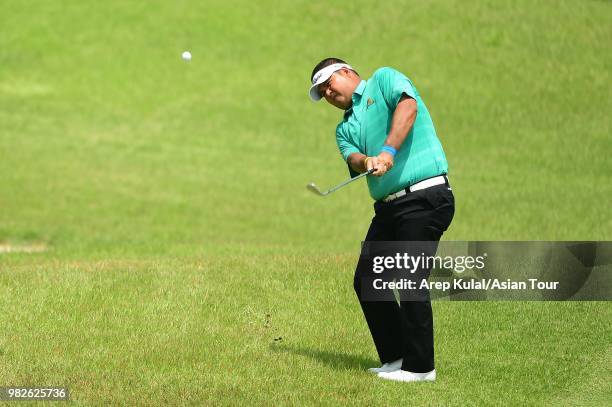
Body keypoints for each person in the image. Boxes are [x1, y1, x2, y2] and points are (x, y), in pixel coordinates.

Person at [308, 58, 455, 382]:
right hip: (389, 209)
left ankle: (420, 368)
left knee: (408, 276)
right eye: (323, 93)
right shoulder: (344, 128)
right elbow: (354, 157)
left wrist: (388, 150)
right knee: (367, 280)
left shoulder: (384, 80)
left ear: (346, 72)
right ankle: (397, 357)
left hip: (425, 197)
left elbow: (408, 109)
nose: (329, 94)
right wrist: (368, 159)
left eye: (329, 84)